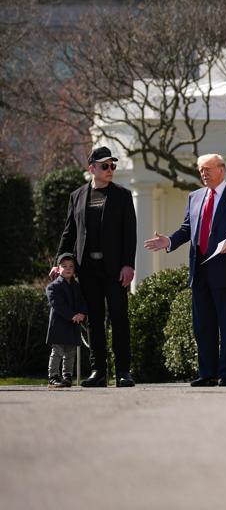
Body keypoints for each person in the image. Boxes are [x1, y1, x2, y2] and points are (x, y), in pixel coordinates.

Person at [144, 154, 226, 387]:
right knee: (203, 325)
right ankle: (207, 373)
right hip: (200, 270)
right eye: (200, 170)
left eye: (207, 169)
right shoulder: (194, 197)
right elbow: (186, 229)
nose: (203, 174)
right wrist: (170, 242)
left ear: (221, 170)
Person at [53, 146, 137, 388]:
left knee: (119, 319)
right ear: (92, 169)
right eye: (104, 166)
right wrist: (60, 261)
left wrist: (128, 265)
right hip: (87, 268)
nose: (110, 169)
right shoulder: (77, 196)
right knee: (94, 320)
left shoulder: (122, 195)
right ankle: (98, 371)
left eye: (112, 165)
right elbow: (69, 233)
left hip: (115, 269)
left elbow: (129, 235)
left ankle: (123, 372)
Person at [45, 253, 87, 389]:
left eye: (71, 266)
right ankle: (53, 376)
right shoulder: (53, 287)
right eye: (64, 266)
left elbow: (82, 301)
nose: (68, 269)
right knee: (57, 352)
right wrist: (71, 315)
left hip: (73, 326)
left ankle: (67, 375)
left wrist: (82, 313)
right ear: (58, 268)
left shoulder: (78, 286)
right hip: (59, 325)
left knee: (70, 352)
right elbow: (58, 304)